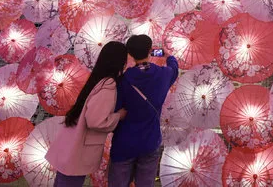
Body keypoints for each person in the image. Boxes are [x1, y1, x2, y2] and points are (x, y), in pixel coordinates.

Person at [46, 41, 128, 187]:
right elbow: (96, 121)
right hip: (79, 149)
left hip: (71, 144)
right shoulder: (108, 84)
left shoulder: (97, 79)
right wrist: (119, 115)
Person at [108, 34, 179, 187]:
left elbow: (116, 108)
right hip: (150, 141)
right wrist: (167, 55)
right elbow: (174, 67)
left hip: (124, 142)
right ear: (150, 50)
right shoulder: (163, 75)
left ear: (130, 54)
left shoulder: (124, 79)